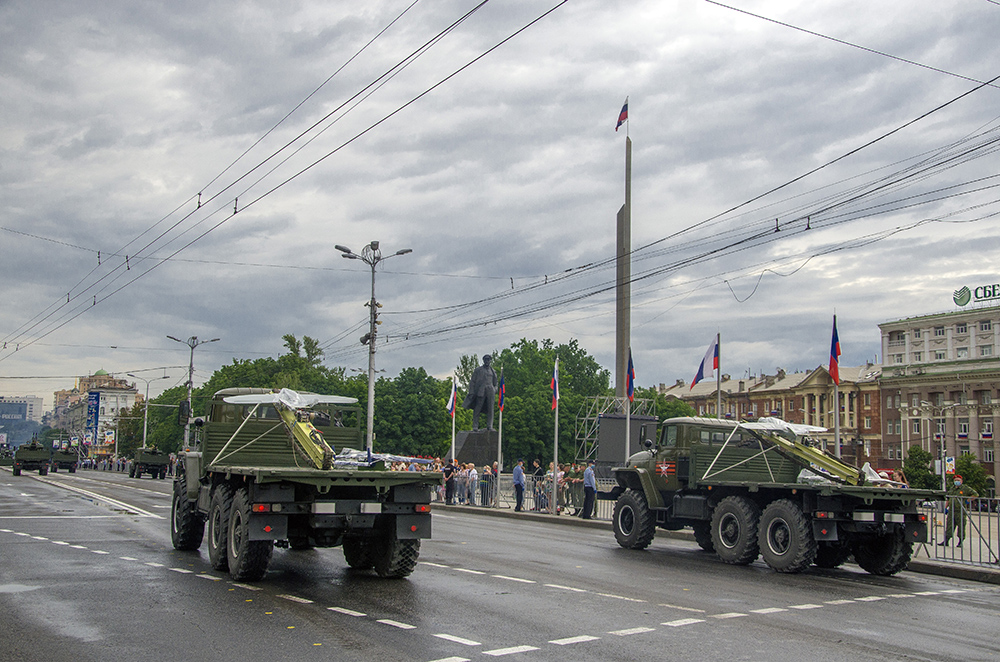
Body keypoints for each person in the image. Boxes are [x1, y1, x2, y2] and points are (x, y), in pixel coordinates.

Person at [461, 355, 499, 431]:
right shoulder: (478, 370)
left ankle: (490, 426)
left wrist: (495, 389)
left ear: (490, 361)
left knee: (490, 409)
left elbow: (496, 383)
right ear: (483, 360)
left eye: (488, 360)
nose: (487, 361)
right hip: (481, 391)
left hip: (490, 391)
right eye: (485, 359)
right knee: (477, 408)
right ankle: (475, 426)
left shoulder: (493, 371)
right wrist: (471, 392)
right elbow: (472, 381)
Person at [941, 474, 978, 547]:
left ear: (961, 481)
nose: (956, 482)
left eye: (958, 480)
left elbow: (975, 494)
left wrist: (968, 500)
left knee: (961, 526)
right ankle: (946, 540)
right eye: (955, 480)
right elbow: (948, 499)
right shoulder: (952, 489)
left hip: (960, 511)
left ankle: (960, 541)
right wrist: (945, 507)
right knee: (949, 526)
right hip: (952, 511)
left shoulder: (965, 488)